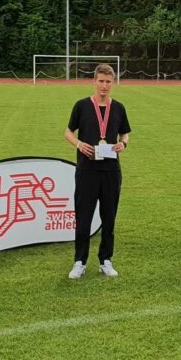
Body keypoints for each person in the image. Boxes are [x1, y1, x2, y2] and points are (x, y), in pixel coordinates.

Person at [64, 63, 131, 279]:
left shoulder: (119, 107)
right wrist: (79, 144)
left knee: (108, 217)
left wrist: (124, 144)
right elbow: (68, 132)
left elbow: (125, 134)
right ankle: (79, 262)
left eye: (108, 82)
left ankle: (105, 260)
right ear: (94, 81)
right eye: (101, 81)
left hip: (111, 170)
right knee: (83, 217)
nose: (104, 86)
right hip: (87, 170)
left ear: (113, 83)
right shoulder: (82, 106)